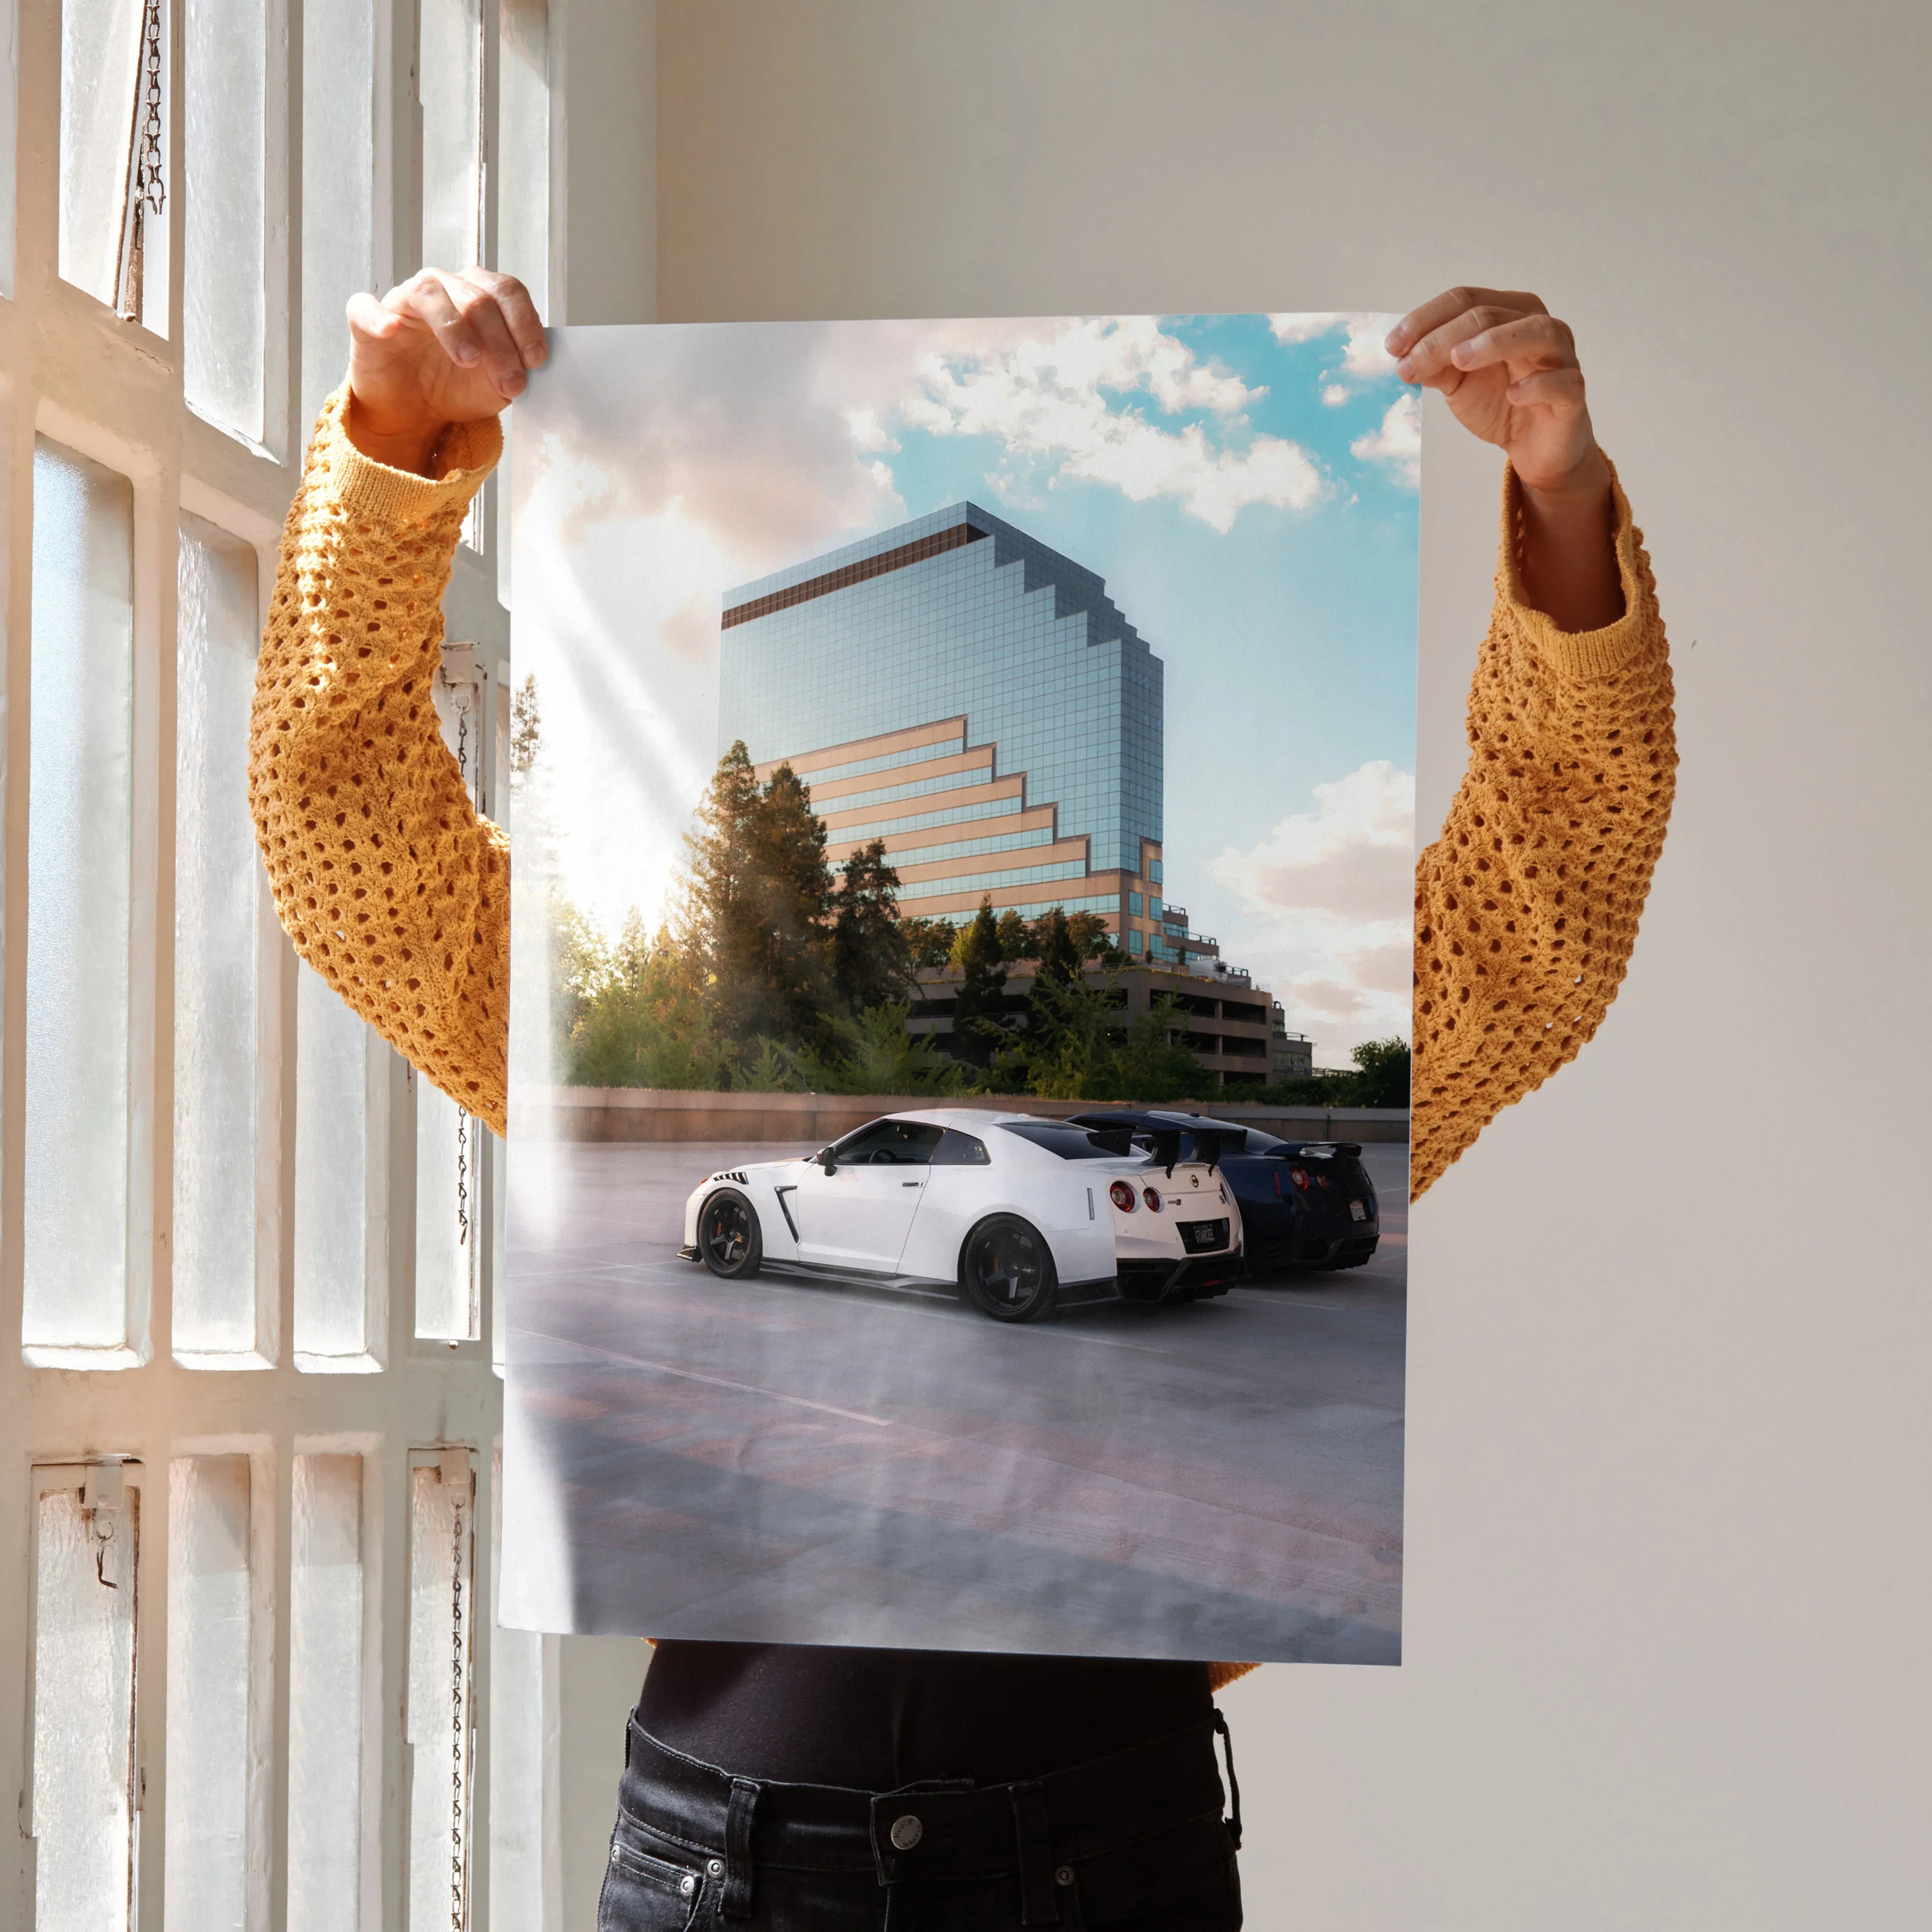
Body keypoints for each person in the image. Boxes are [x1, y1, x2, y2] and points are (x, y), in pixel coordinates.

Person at [250, 271, 1675, 1930]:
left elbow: (1546, 905)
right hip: (729, 1861)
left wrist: (1561, 497)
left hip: (1101, 1847)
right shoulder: (631, 1025)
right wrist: (392, 444)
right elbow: (345, 837)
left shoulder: (1225, 1084)